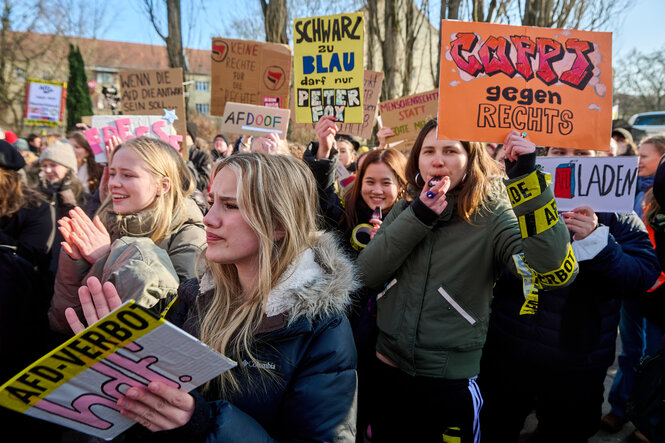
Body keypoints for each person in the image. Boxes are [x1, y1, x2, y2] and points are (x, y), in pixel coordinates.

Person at [64, 153, 359, 442]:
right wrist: (125, 362)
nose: (208, 218)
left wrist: (203, 423)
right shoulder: (194, 297)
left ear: (278, 224)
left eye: (230, 206)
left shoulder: (322, 329)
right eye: (211, 202)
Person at [356, 119, 576, 442]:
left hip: (448, 383)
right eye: (428, 150)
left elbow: (550, 268)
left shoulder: (492, 213)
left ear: (470, 157)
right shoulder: (406, 206)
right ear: (417, 158)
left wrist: (527, 180)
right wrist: (419, 217)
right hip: (386, 369)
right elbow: (365, 274)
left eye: (450, 150)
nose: (438, 160)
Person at [479, 146, 660, 443]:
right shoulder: (516, 201)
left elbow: (641, 276)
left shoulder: (618, 215)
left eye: (581, 152)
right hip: (509, 352)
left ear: (600, 158)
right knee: (495, 428)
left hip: (578, 363)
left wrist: (600, 242)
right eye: (559, 150)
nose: (569, 157)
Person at [48, 136, 206, 335]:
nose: (113, 183)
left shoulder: (189, 235)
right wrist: (76, 264)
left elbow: (178, 320)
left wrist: (107, 257)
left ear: (163, 186)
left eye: (127, 175)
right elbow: (62, 322)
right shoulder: (104, 223)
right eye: (112, 174)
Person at [603, 135, 665, 436]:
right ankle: (619, 408)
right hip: (632, 289)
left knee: (653, 357)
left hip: (659, 294)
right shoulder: (626, 189)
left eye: (646, 156)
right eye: (637, 154)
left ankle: (648, 417)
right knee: (628, 353)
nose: (638, 161)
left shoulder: (659, 193)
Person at [67, 130, 104, 196]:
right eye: (69, 146)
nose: (72, 150)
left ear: (87, 152)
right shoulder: (60, 170)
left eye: (77, 147)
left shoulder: (98, 172)